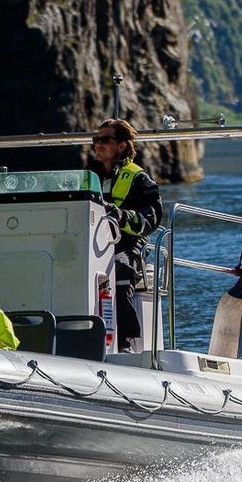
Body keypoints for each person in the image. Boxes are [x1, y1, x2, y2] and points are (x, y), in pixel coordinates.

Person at [89, 119, 162, 351]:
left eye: (104, 140)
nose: (97, 144)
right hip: (89, 242)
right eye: (95, 140)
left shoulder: (139, 179)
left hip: (125, 246)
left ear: (121, 146)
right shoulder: (87, 176)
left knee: (117, 271)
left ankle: (126, 342)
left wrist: (120, 215)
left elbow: (150, 221)